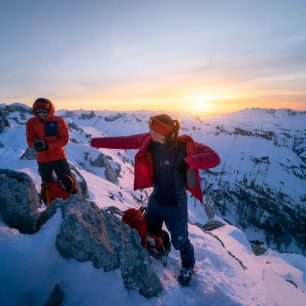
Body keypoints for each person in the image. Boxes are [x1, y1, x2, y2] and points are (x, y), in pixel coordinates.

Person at [91, 114, 220, 286]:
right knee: (150, 230)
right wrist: (94, 142)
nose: (150, 132)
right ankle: (159, 247)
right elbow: (124, 141)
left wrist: (190, 162)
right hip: (156, 199)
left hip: (175, 204)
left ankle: (188, 266)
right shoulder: (149, 141)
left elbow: (214, 157)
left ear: (164, 132)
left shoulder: (184, 146)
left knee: (180, 242)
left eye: (154, 130)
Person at [26, 98, 76, 199]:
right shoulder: (31, 123)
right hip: (42, 160)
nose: (41, 113)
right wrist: (36, 145)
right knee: (47, 185)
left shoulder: (58, 121)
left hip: (59, 158)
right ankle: (52, 206)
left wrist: (48, 145)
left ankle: (75, 204)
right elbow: (30, 141)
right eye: (38, 111)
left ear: (49, 109)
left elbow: (65, 140)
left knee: (68, 183)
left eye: (44, 111)